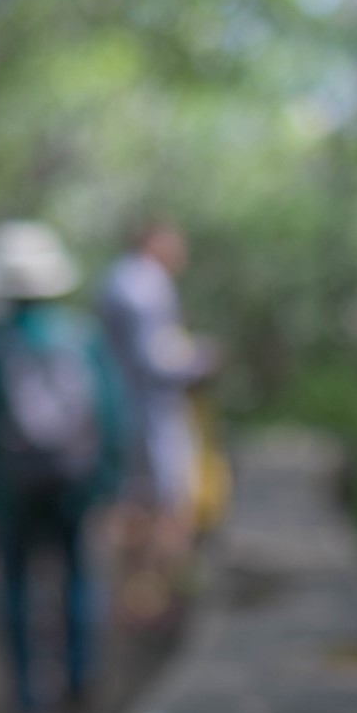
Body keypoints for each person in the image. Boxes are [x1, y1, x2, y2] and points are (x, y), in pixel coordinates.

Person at [0, 222, 126, 713]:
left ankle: (27, 694)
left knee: (17, 581)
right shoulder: (81, 337)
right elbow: (111, 411)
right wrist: (109, 477)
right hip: (77, 482)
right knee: (78, 575)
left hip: (12, 489)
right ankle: (80, 678)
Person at [96, 220, 217, 620]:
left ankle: (134, 593)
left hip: (120, 408)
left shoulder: (115, 279)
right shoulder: (147, 285)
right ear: (155, 242)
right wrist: (200, 359)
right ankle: (157, 598)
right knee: (166, 504)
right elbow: (156, 360)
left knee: (132, 499)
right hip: (151, 412)